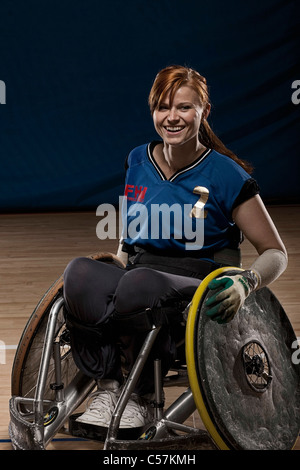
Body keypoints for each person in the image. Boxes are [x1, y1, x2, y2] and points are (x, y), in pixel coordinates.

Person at [63, 65, 288, 430]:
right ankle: (110, 386)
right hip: (141, 272)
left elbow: (276, 252)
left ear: (204, 112)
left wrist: (245, 283)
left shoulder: (227, 175)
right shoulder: (138, 159)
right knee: (80, 272)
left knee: (140, 283)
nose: (172, 117)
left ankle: (145, 398)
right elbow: (134, 223)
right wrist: (119, 258)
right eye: (163, 107)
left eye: (184, 107)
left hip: (197, 279)